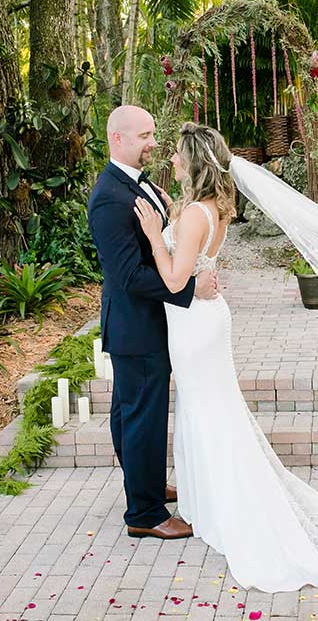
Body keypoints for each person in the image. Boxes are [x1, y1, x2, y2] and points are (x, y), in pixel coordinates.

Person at [133, 122, 318, 593]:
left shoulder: (194, 215)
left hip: (193, 325)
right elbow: (197, 263)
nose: (170, 160)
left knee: (208, 411)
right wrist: (172, 218)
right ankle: (204, 500)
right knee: (208, 408)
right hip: (204, 319)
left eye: (176, 154)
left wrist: (155, 234)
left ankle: (226, 505)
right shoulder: (211, 209)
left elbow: (173, 281)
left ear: (192, 160)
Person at [87, 105, 219, 540]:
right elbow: (127, 275)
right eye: (145, 135)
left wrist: (164, 212)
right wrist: (189, 290)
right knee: (142, 416)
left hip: (139, 323)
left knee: (128, 414)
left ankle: (142, 484)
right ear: (117, 140)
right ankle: (145, 514)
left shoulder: (137, 187)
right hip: (136, 323)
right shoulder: (109, 196)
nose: (153, 142)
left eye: (153, 134)